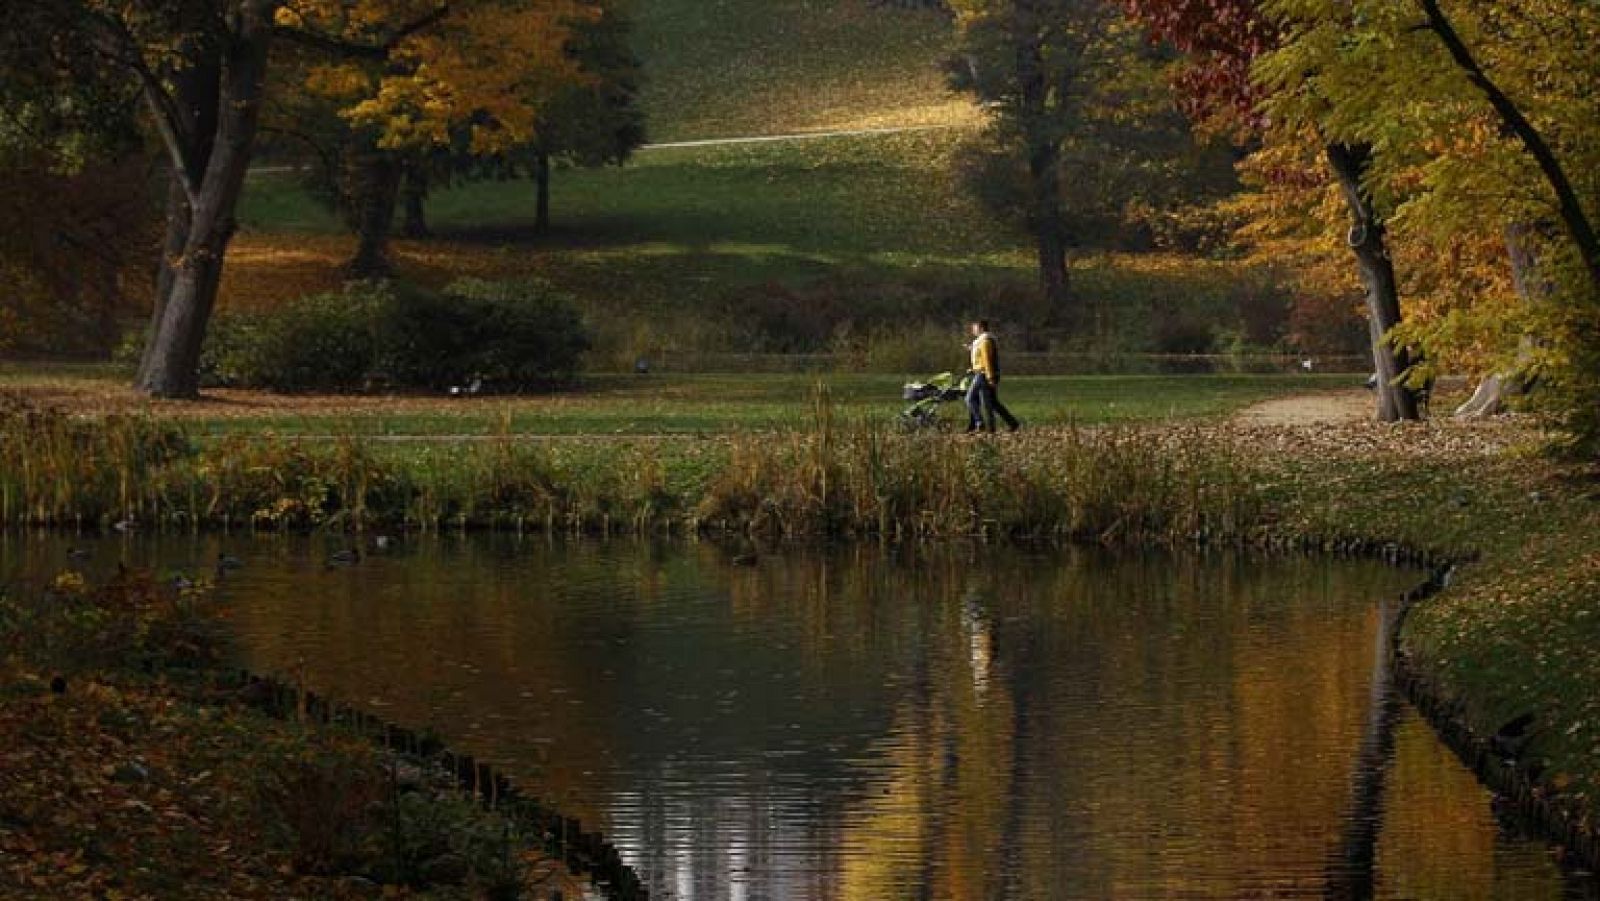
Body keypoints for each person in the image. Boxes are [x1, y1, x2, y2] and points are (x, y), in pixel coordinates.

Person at [965, 320, 1020, 433]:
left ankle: (982, 424)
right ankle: (1012, 423)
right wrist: (974, 367)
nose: (972, 330)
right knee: (992, 402)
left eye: (974, 328)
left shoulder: (985, 341)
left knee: (970, 398)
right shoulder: (983, 341)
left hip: (984, 374)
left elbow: (987, 360)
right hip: (983, 373)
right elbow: (981, 358)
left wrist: (990, 377)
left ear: (980, 328)